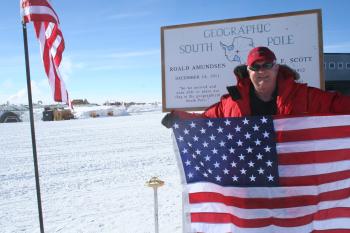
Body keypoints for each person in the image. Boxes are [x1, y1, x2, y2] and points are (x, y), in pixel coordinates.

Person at [162, 46, 350, 127]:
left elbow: (337, 104)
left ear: (276, 68)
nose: (261, 71)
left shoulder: (302, 94)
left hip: (292, 179)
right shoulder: (231, 103)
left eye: (267, 65)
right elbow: (205, 120)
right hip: (250, 181)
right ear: (248, 71)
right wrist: (178, 118)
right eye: (255, 67)